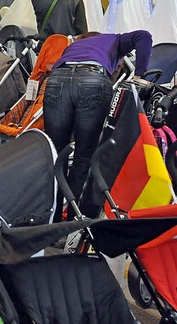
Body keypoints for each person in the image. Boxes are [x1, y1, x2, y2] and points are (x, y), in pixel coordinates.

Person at [43, 30, 152, 220]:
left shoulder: (74, 47)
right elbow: (144, 36)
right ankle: (74, 225)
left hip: (57, 79)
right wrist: (140, 75)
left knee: (55, 155)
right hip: (92, 79)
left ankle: (50, 220)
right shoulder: (114, 39)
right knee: (84, 156)